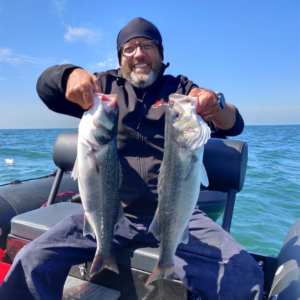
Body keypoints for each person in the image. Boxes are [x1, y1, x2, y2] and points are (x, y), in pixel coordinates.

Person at [0, 17, 263, 300]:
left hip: (174, 211)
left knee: (245, 275)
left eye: (147, 46)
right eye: (130, 48)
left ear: (161, 54)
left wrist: (217, 103)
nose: (139, 53)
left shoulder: (181, 90)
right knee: (31, 259)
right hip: (109, 207)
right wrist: (69, 74)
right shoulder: (101, 89)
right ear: (120, 57)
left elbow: (234, 124)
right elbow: (46, 89)